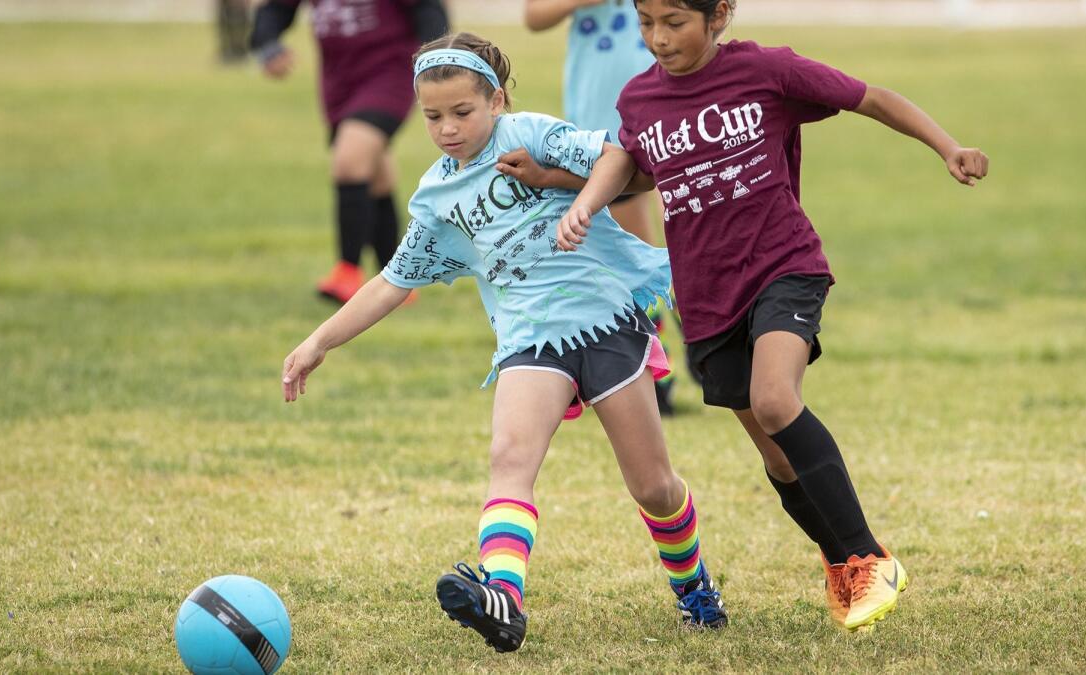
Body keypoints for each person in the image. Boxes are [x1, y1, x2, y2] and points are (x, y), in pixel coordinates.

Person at [280, 32, 728, 653]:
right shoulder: (438, 197)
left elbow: (618, 158)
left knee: (653, 486)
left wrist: (572, 197)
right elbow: (390, 282)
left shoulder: (530, 134)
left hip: (604, 323)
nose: (447, 129)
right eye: (433, 116)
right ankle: (504, 598)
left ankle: (695, 588)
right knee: (509, 460)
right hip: (528, 342)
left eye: (462, 112)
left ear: (497, 101)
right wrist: (319, 342)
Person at [552, 0, 988, 631]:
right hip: (704, 298)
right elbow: (639, 166)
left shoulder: (767, 71)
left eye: (674, 22)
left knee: (777, 400)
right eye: (646, 22)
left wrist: (948, 146)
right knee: (778, 456)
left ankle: (869, 555)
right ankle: (840, 560)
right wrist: (566, 186)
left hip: (783, 265)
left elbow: (872, 98)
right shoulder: (639, 97)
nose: (658, 38)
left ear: (719, 14)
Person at [519, 0, 684, 413]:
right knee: (633, 257)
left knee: (688, 237)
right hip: (603, 124)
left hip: (672, 110)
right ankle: (656, 368)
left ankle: (705, 341)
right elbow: (534, 16)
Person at [249, 0, 449, 303]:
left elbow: (427, 8)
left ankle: (347, 272)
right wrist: (267, 44)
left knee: (350, 160)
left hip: (390, 72)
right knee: (374, 170)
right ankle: (398, 279)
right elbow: (276, 9)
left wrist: (435, 59)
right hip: (339, 81)